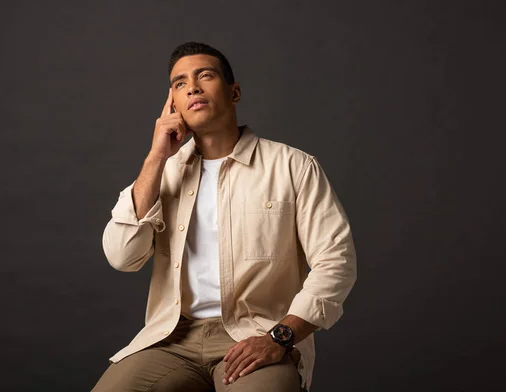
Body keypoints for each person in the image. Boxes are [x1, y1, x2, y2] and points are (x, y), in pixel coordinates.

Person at [92, 41, 357, 392]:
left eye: (205, 76)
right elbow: (121, 256)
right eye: (180, 84)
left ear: (234, 92)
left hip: (257, 335)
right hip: (172, 338)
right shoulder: (163, 173)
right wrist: (156, 157)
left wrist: (281, 337)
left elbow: (336, 262)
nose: (193, 88)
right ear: (173, 103)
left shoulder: (293, 167)